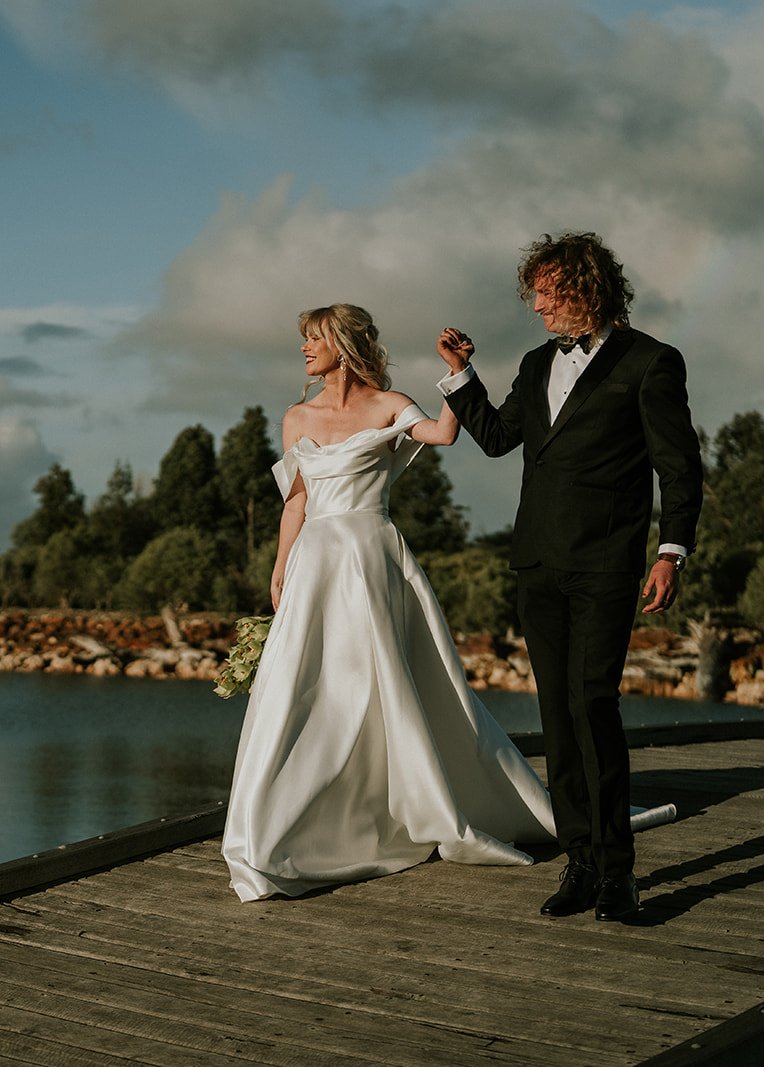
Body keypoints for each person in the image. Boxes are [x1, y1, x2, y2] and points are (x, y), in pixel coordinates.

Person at [222, 304, 559, 901]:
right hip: (315, 561)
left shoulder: (387, 404)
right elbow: (296, 500)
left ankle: (403, 804)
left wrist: (457, 374)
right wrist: (279, 566)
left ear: (343, 343)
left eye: (314, 339)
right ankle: (274, 828)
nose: (304, 349)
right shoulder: (297, 416)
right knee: (300, 689)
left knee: (382, 685)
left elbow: (444, 434)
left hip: (373, 557)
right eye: (303, 340)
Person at [438, 232, 702, 922]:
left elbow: (678, 469)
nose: (536, 307)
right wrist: (463, 376)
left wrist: (670, 550)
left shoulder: (650, 362)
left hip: (606, 564)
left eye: (547, 293)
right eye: (534, 293)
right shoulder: (533, 364)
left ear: (587, 287)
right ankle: (580, 861)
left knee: (593, 704)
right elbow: (497, 438)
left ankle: (619, 871)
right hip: (537, 564)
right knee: (556, 715)